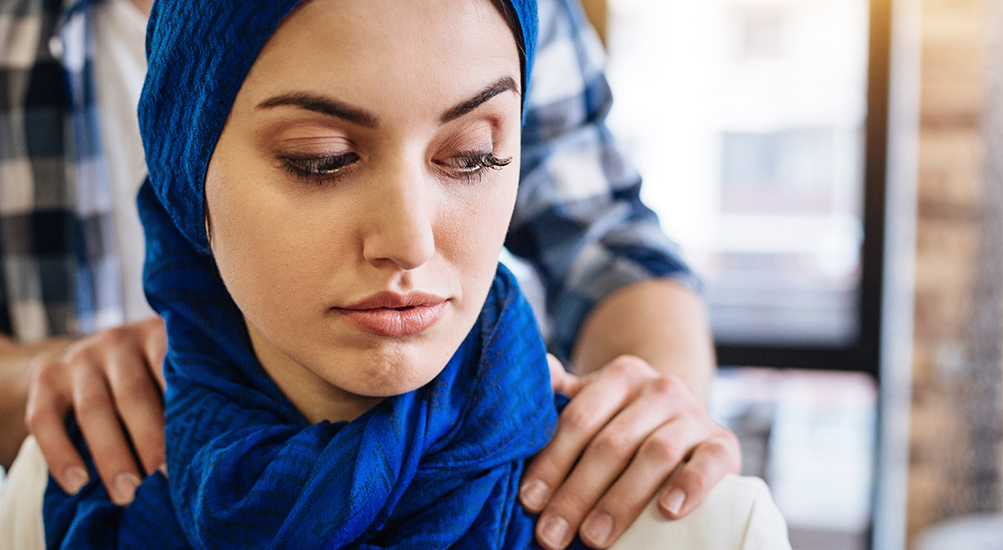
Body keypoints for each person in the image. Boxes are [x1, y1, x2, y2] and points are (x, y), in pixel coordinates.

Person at [13, 0, 788, 547]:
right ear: (189, 185)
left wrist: (635, 426)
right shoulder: (54, 491)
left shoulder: (705, 529)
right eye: (319, 160)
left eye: (473, 155)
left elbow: (609, 241)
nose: (409, 242)